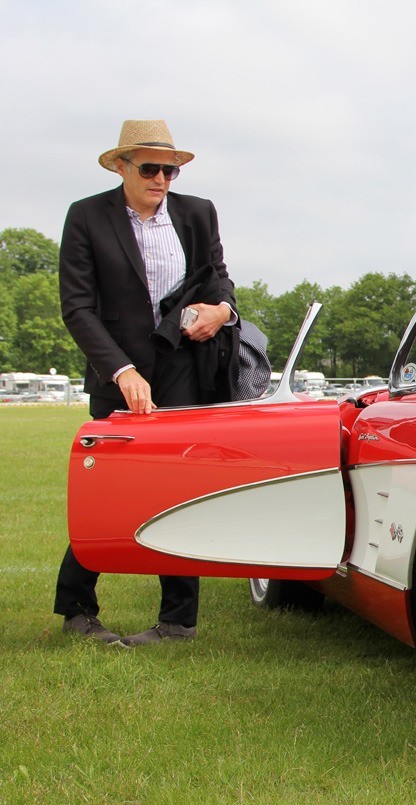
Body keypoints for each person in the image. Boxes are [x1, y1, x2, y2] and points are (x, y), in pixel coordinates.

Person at [55, 119, 238, 646]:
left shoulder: (197, 213)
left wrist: (220, 310)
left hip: (183, 364)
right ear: (121, 166)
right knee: (109, 488)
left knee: (177, 487)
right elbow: (77, 307)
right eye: (151, 168)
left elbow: (219, 275)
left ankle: (178, 622)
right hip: (120, 369)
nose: (162, 179)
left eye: (171, 169)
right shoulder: (86, 216)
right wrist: (122, 370)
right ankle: (76, 610)